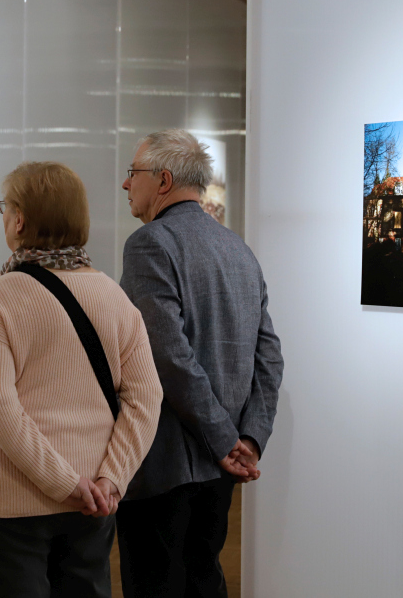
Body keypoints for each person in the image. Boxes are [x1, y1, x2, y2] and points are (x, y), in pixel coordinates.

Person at [0, 161, 163, 598]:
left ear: (19, 219)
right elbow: (147, 398)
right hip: (93, 502)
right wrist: (111, 478)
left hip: (11, 504)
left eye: (5, 207)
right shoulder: (112, 294)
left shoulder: (0, 297)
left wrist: (64, 483)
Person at [117, 129, 285, 598]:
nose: (126, 184)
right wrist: (248, 437)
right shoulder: (239, 251)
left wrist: (226, 440)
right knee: (203, 579)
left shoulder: (149, 244)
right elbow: (268, 355)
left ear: (164, 180)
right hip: (219, 470)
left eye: (134, 173)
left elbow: (167, 356)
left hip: (166, 469)